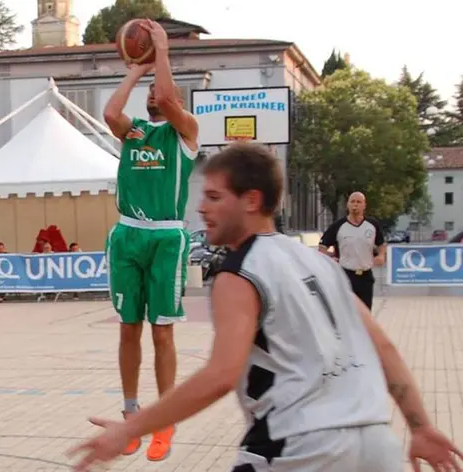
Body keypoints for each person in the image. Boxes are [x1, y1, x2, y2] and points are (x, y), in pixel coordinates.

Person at [67, 143, 462, 472]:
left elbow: (221, 375)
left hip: (301, 448)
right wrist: (422, 427)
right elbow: (384, 349)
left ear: (252, 200)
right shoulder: (319, 262)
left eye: (214, 197)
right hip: (377, 445)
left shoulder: (239, 274)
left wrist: (129, 428)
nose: (202, 208)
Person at [101, 20, 200, 461]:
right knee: (127, 328)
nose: (152, 95)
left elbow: (169, 98)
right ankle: (130, 413)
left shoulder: (185, 132)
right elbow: (109, 113)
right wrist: (137, 67)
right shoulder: (134, 130)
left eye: (160, 90)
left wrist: (161, 51)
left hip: (165, 237)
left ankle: (164, 417)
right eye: (148, 90)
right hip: (127, 234)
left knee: (161, 332)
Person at [318, 191, 386, 309]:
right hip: (346, 275)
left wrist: (381, 255)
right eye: (352, 201)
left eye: (359, 202)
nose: (355, 204)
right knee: (347, 312)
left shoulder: (372, 225)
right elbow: (322, 247)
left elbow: (381, 244)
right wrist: (330, 260)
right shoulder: (338, 226)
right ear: (348, 205)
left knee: (365, 312)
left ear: (364, 205)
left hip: (365, 276)